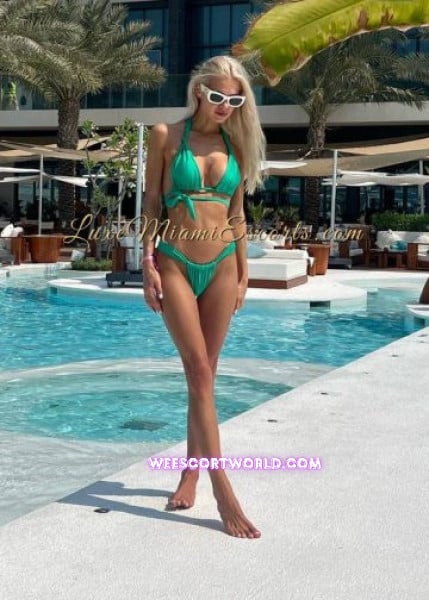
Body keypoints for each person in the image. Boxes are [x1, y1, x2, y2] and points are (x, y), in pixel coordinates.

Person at [142, 55, 265, 538]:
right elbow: (152, 201)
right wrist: (147, 262)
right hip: (175, 259)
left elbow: (237, 214)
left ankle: (191, 471)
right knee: (197, 371)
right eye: (217, 96)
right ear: (198, 91)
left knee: (206, 376)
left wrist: (245, 272)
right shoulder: (165, 135)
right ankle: (222, 489)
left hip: (223, 266)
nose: (224, 106)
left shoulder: (236, 144)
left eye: (234, 99)